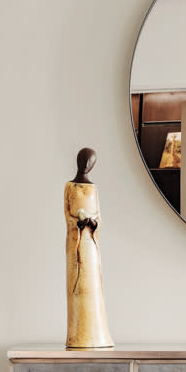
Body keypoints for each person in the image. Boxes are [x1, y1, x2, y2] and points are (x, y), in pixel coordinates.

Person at [65, 148, 114, 349]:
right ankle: (77, 335)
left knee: (92, 284)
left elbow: (99, 216)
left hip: (90, 243)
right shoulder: (70, 187)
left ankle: (96, 334)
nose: (86, 165)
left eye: (90, 162)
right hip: (74, 242)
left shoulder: (93, 188)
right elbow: (68, 215)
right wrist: (77, 223)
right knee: (76, 284)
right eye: (84, 161)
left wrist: (92, 223)